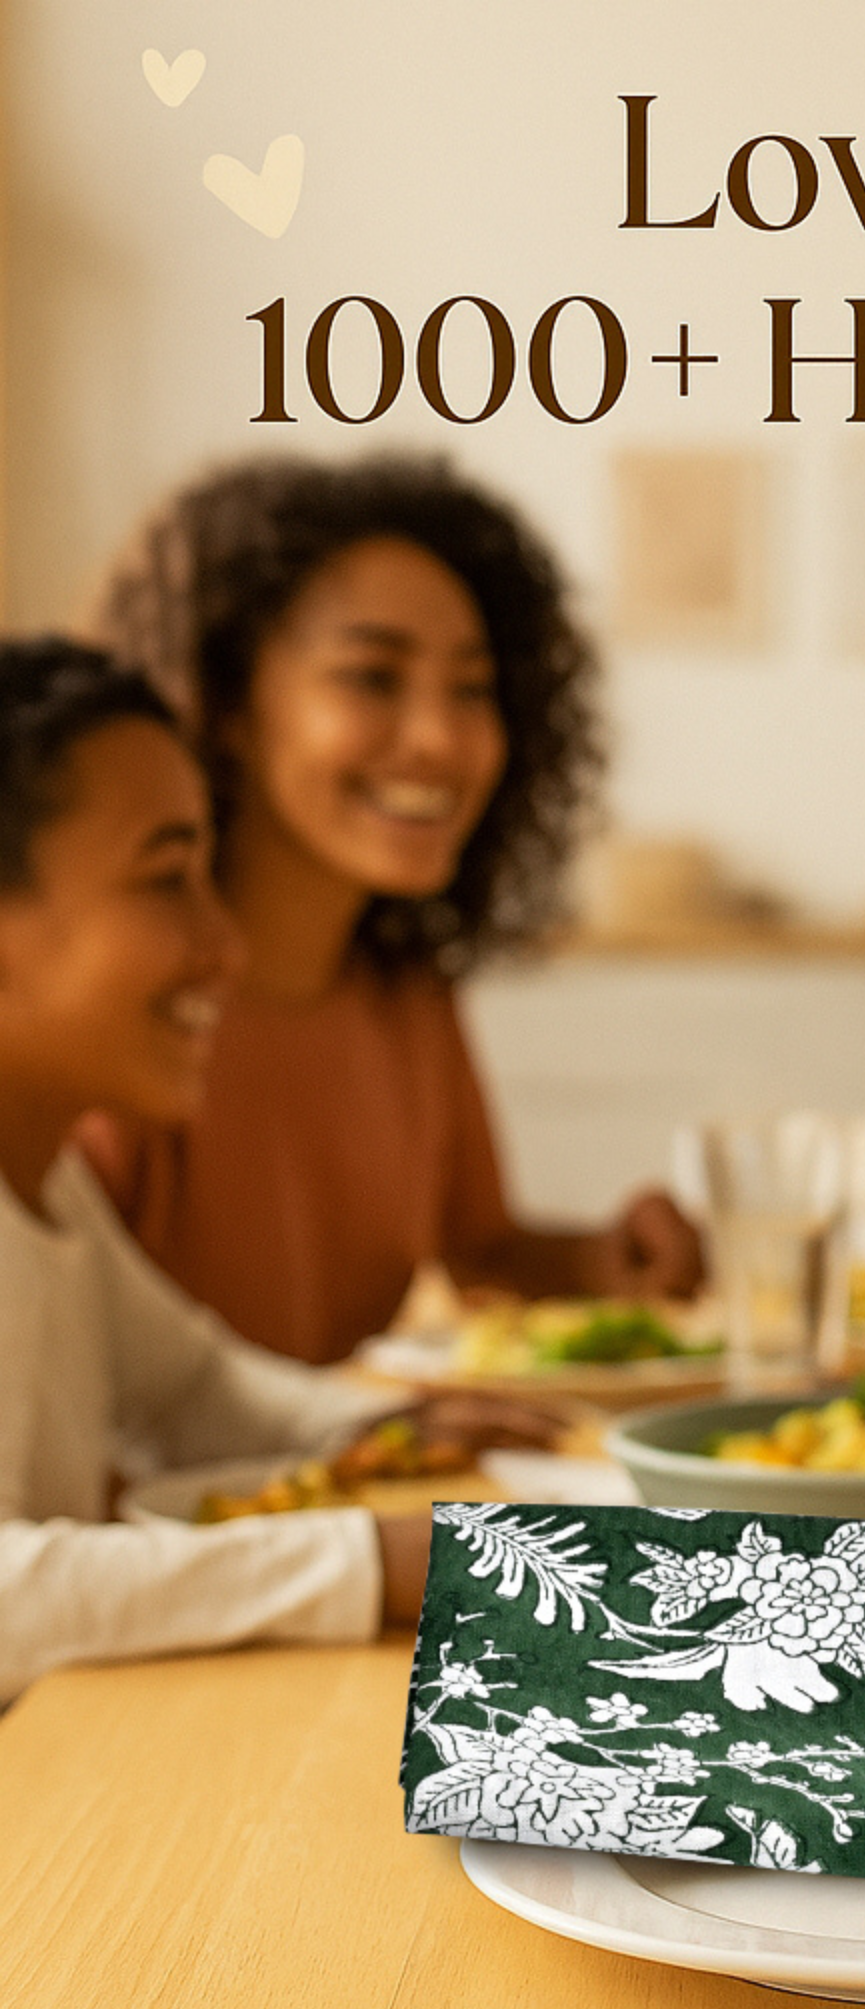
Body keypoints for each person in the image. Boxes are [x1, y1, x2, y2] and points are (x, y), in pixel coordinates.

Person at [0, 638, 546, 1704]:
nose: (224, 942)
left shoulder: (42, 1170)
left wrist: (374, 1426)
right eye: (167, 880)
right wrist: (366, 1562)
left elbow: (188, 1386)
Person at [77, 455, 704, 1363]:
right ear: (224, 706)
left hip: (324, 1491)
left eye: (473, 689)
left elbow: (479, 1251)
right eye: (372, 677)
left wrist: (605, 1258)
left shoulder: (405, 995)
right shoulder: (122, 1006)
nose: (442, 739)